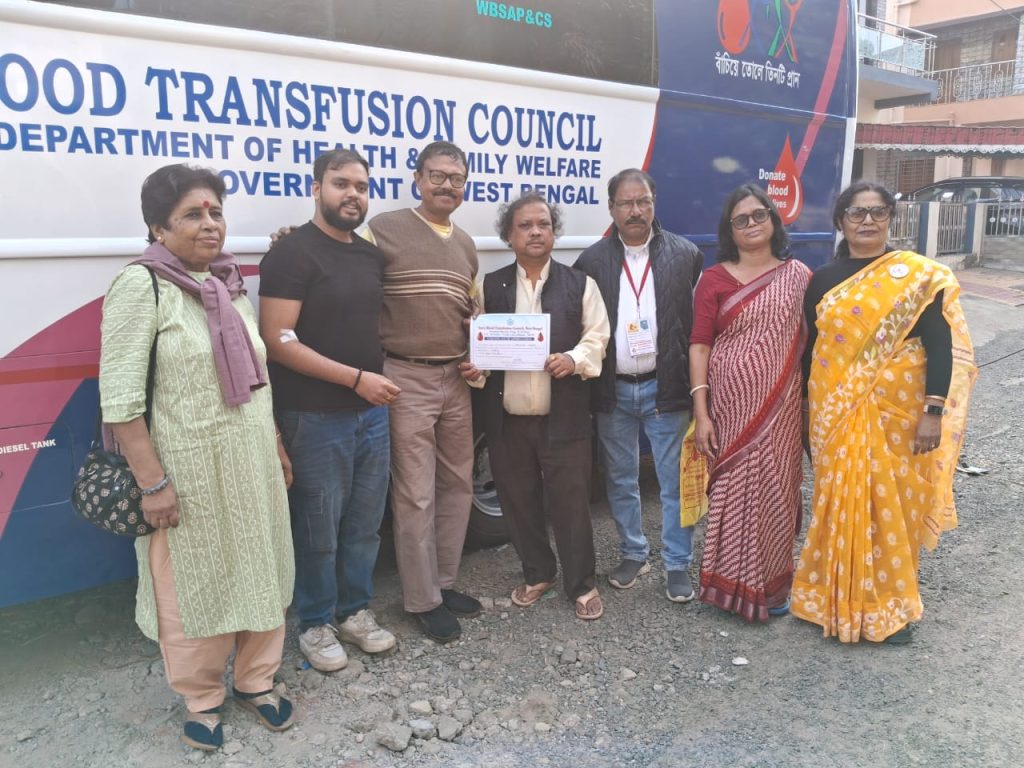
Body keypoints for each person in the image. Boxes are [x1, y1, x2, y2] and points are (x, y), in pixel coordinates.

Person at [99, 164, 295, 751]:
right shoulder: (142, 285)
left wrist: (275, 443)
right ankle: (202, 695)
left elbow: (258, 379)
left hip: (252, 464)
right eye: (192, 214)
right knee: (192, 586)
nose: (210, 224)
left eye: (215, 211)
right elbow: (121, 402)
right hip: (186, 475)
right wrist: (152, 483)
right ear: (158, 228)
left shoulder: (228, 284)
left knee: (261, 570)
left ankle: (257, 679)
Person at [791, 180, 976, 644]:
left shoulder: (915, 276)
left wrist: (933, 411)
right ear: (841, 221)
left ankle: (888, 609)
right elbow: (813, 352)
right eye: (857, 213)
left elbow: (938, 345)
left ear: (891, 218)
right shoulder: (823, 279)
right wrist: (807, 410)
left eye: (877, 212)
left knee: (892, 507)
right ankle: (830, 599)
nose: (867, 221)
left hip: (898, 413)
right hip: (835, 413)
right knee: (836, 503)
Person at [259, 149, 398, 672]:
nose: (352, 194)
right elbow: (277, 341)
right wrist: (357, 380)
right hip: (314, 416)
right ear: (316, 188)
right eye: (341, 183)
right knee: (318, 530)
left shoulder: (369, 256)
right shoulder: (291, 254)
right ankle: (315, 623)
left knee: (364, 524)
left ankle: (354, 611)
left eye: (361, 186)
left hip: (370, 416)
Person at [460, 193, 610, 620]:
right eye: (524, 225)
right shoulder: (489, 286)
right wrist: (476, 369)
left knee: (571, 502)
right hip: (507, 421)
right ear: (509, 236)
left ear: (554, 232)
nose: (535, 232)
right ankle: (538, 572)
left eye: (543, 224)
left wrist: (573, 359)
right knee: (518, 501)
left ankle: (581, 584)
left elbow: (597, 337)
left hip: (564, 418)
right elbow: (478, 345)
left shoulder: (580, 284)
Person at [366, 141, 482, 642]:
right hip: (404, 375)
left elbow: (471, 311)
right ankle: (422, 600)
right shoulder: (383, 229)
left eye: (456, 178)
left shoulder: (467, 245)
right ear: (417, 179)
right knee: (415, 493)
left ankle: (444, 582)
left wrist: (478, 339)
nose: (446, 186)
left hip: (456, 377)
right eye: (437, 176)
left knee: (458, 484)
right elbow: (345, 266)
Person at [574, 168, 704, 601]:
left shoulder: (686, 255)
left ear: (654, 203)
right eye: (626, 203)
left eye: (643, 201)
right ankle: (634, 552)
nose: (635, 211)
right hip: (613, 391)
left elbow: (697, 326)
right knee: (620, 480)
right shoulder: (591, 261)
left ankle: (677, 563)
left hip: (665, 388)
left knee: (673, 483)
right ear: (611, 208)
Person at [689, 184, 810, 622]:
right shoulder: (714, 279)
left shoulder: (799, 277)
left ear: (773, 219)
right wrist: (701, 413)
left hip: (782, 407)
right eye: (741, 219)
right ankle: (729, 587)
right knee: (732, 489)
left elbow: (818, 340)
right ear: (730, 229)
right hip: (729, 408)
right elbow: (700, 345)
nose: (752, 224)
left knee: (776, 490)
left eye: (759, 215)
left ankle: (772, 588)